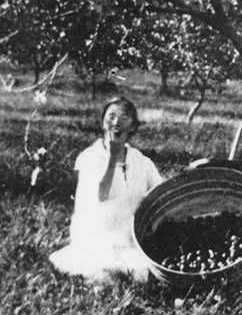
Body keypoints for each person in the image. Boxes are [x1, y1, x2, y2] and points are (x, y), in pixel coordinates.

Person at [49, 97, 163, 282]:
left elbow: (160, 193)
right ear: (103, 123)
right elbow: (100, 195)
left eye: (124, 117)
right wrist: (112, 158)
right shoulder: (90, 157)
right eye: (111, 116)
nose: (116, 122)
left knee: (140, 272)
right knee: (103, 271)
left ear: (133, 127)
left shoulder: (141, 161)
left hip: (129, 237)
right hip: (99, 234)